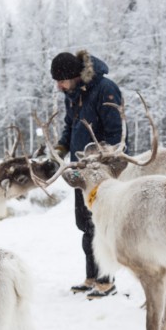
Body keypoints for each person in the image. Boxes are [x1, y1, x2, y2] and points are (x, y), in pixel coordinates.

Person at [50, 49, 123, 299]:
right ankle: (92, 277)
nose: (58, 86)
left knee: (101, 227)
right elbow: (71, 125)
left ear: (73, 75)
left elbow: (116, 133)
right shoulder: (73, 94)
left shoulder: (105, 89)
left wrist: (108, 163)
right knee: (85, 225)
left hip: (101, 172)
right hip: (81, 171)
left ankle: (106, 280)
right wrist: (61, 146)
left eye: (61, 81)